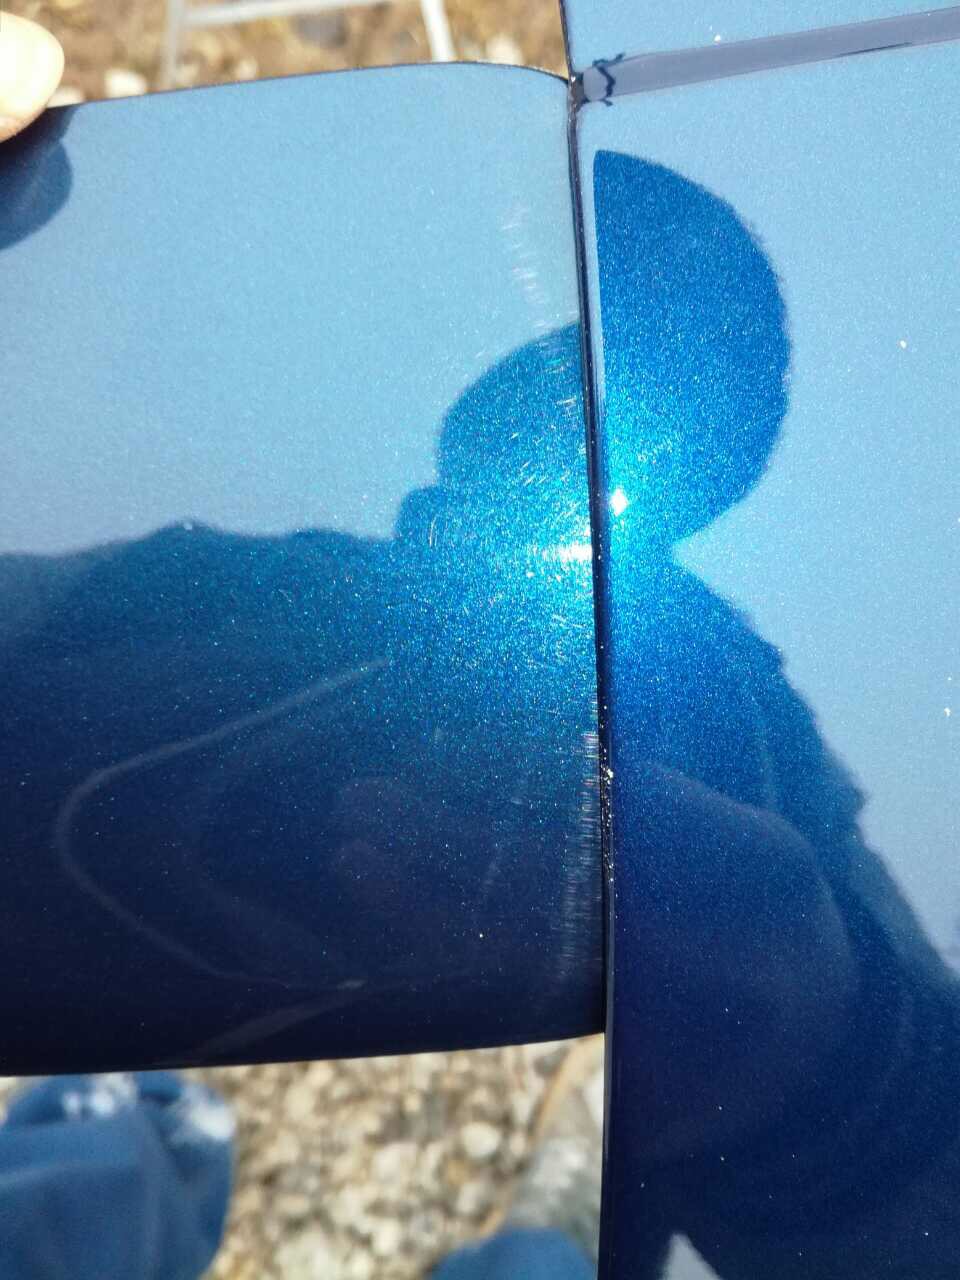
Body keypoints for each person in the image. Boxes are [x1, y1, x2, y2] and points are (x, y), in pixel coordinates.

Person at [3, 17, 960, 1280]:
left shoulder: (736, 712)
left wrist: (824, 1061)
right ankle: (503, 1222)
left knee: (93, 1182)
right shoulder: (224, 583)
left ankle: (157, 1144)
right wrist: (821, 1074)